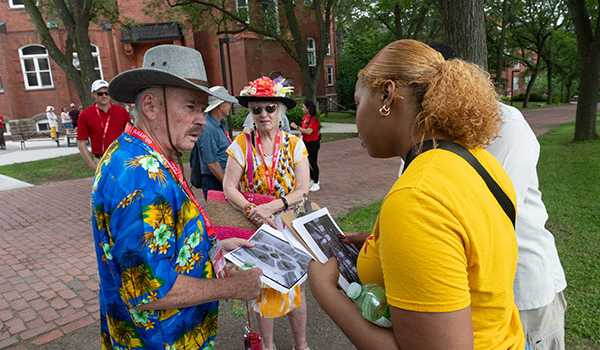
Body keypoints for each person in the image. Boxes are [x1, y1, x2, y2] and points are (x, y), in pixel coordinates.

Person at [308, 39, 524, 349]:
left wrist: (327, 294)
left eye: (357, 103)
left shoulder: (417, 198)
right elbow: (469, 250)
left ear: (387, 95)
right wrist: (386, 247)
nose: (357, 121)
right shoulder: (480, 160)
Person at [94, 44, 262, 349]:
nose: (201, 119)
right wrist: (233, 287)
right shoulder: (141, 176)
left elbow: (162, 243)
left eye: (203, 108)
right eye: (190, 106)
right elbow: (150, 292)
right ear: (150, 106)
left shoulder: (150, 153)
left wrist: (216, 246)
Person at [429, 43, 567, 350]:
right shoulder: (426, 133)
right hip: (476, 294)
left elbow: (488, 216)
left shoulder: (505, 123)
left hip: (523, 294)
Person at [223, 76, 311, 350]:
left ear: (280, 111)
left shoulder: (295, 144)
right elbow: (228, 187)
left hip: (287, 225)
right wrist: (251, 209)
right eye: (256, 109)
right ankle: (269, 345)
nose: (263, 114)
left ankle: (301, 345)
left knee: (296, 287)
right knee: (263, 287)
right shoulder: (241, 144)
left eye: (270, 108)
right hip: (256, 228)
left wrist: (272, 207)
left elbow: (303, 189)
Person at [190, 85, 237, 198]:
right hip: (215, 181)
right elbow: (211, 163)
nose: (230, 105)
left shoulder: (220, 123)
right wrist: (228, 185)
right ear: (220, 105)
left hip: (223, 179)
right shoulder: (207, 128)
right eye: (228, 102)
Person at [77, 79, 131, 170]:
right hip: (100, 160)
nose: (104, 96)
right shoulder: (85, 115)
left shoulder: (121, 112)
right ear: (93, 94)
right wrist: (91, 165)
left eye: (107, 93)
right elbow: (81, 143)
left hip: (121, 159)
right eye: (100, 93)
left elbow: (131, 136)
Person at [291, 100, 321, 192]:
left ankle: (316, 182)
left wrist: (296, 127)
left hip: (313, 143)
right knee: (306, 162)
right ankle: (312, 179)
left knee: (313, 162)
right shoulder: (305, 117)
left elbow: (309, 131)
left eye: (304, 107)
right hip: (305, 142)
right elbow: (303, 130)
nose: (302, 108)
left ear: (308, 108)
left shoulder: (314, 119)